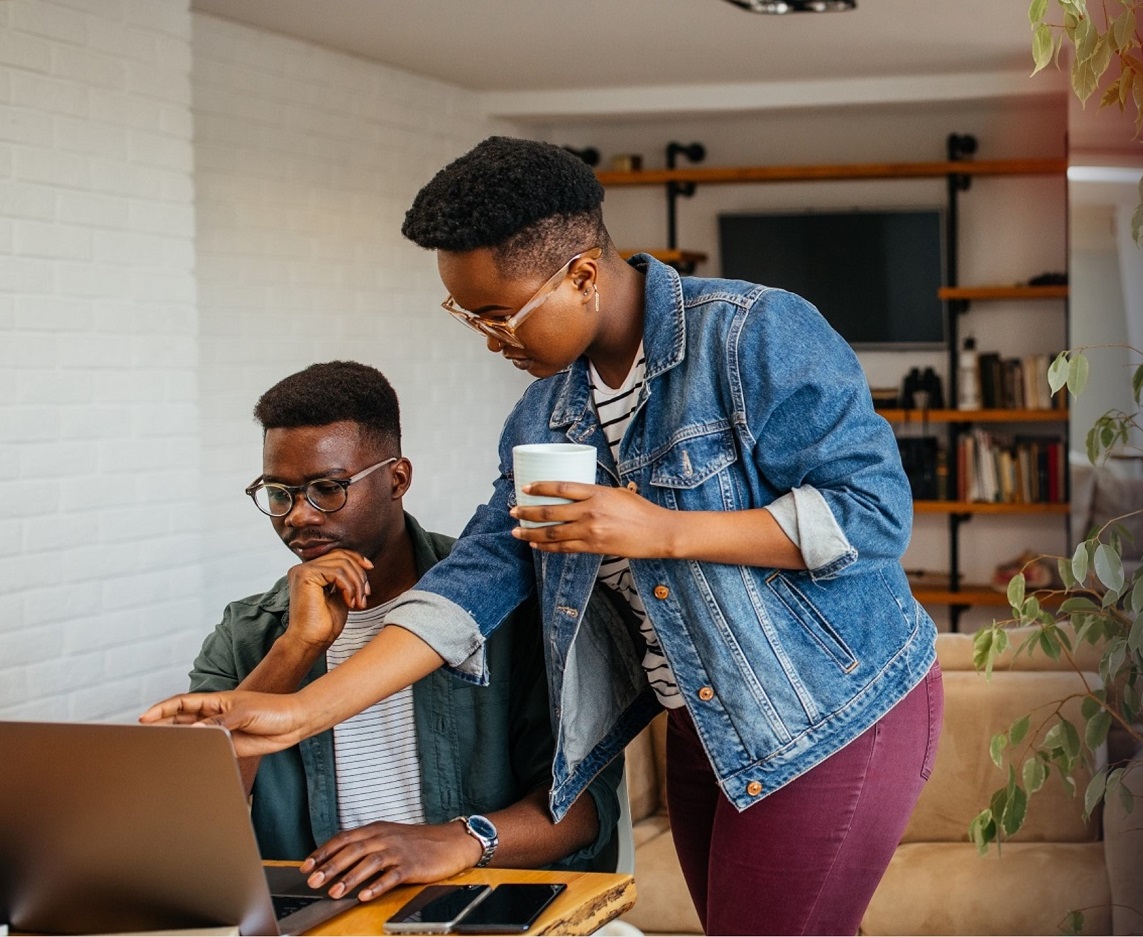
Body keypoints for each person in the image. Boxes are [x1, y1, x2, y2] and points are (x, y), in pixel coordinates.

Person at [144, 136, 942, 935]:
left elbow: (871, 515)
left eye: (499, 312)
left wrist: (663, 529)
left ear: (583, 274)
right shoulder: (542, 416)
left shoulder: (751, 334)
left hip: (838, 711)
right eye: (467, 314)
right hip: (707, 724)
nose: (488, 337)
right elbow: (470, 584)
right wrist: (302, 711)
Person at [192, 361, 620, 902]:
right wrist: (297, 648)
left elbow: (586, 805)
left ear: (398, 479)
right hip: (321, 910)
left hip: (478, 903)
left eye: (327, 488)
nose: (298, 515)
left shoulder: (506, 602)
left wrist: (458, 841)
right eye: (280, 493)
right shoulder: (250, 631)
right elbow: (194, 810)